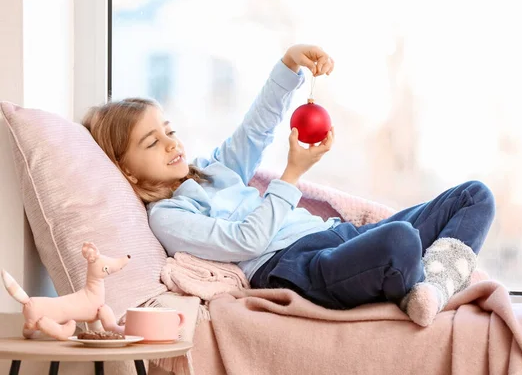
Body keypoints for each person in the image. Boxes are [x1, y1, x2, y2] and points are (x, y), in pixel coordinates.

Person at [83, 44, 495, 327]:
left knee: (473, 196)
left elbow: (256, 129)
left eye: (169, 130)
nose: (172, 143)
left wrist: (287, 64)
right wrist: (292, 174)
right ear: (128, 172)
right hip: (291, 266)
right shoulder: (169, 217)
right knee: (399, 241)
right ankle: (421, 281)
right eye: (152, 142)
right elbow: (245, 241)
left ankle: (431, 289)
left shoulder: (215, 170)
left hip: (334, 236)